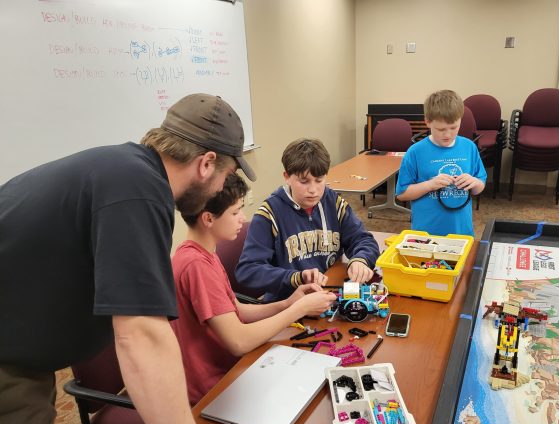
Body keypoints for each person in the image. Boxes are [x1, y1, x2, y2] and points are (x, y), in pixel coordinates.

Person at [0, 94, 255, 424]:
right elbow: (142, 335)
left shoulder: (125, 170)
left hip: (24, 353)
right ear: (206, 164)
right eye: (225, 174)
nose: (224, 185)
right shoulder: (137, 188)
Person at [171, 173, 337, 405]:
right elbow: (239, 342)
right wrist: (297, 310)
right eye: (236, 212)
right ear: (208, 219)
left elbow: (236, 310)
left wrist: (287, 303)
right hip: (215, 387)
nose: (243, 219)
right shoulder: (197, 266)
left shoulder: (202, 252)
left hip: (230, 370)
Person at [236, 138, 380, 302]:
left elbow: (363, 239)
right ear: (287, 177)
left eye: (319, 181)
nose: (313, 190)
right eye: (304, 182)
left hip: (328, 296)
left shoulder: (333, 203)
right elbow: (248, 270)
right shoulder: (269, 214)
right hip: (288, 304)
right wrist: (296, 277)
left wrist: (360, 260)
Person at [396, 89, 487, 236]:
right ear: (427, 122)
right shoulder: (415, 152)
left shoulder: (469, 147)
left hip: (462, 232)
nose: (448, 134)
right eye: (441, 129)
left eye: (454, 127)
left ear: (460, 120)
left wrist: (474, 182)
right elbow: (402, 194)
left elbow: (479, 187)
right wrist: (429, 185)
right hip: (426, 234)